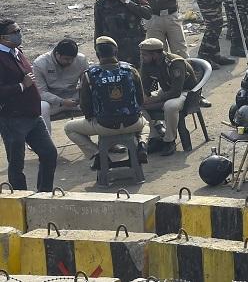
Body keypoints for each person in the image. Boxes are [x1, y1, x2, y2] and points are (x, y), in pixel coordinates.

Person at [64, 36, 146, 169]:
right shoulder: (131, 70)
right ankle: (142, 144)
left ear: (98, 55)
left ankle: (97, 154)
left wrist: (92, 118)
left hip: (104, 126)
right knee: (146, 123)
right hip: (133, 123)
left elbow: (85, 106)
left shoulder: (89, 75)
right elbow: (141, 99)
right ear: (116, 52)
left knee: (69, 128)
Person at [0, 19, 56, 191]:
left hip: (33, 116)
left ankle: (44, 194)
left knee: (49, 153)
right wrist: (22, 86)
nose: (19, 34)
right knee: (17, 164)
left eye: (19, 30)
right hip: (13, 119)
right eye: (14, 32)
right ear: (2, 37)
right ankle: (21, 198)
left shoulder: (17, 52)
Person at [138, 38, 196, 156]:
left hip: (187, 92)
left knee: (170, 106)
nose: (142, 57)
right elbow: (145, 85)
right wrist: (144, 98)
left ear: (155, 54)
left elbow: (176, 92)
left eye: (145, 55)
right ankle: (154, 138)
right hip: (166, 91)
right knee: (137, 104)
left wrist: (153, 102)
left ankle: (169, 141)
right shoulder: (147, 63)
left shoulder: (175, 63)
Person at [93, 0, 152, 70]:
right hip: (115, 48)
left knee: (140, 72)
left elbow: (147, 13)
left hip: (136, 44)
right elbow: (98, 27)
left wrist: (126, 1)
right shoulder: (101, 3)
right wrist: (98, 48)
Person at [32, 39, 87, 134]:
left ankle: (96, 132)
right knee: (42, 106)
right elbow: (41, 92)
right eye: (66, 59)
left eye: (72, 59)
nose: (70, 62)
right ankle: (46, 138)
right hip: (52, 102)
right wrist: (61, 101)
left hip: (74, 98)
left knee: (96, 98)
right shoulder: (40, 63)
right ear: (57, 54)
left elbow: (86, 84)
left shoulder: (81, 60)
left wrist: (82, 96)